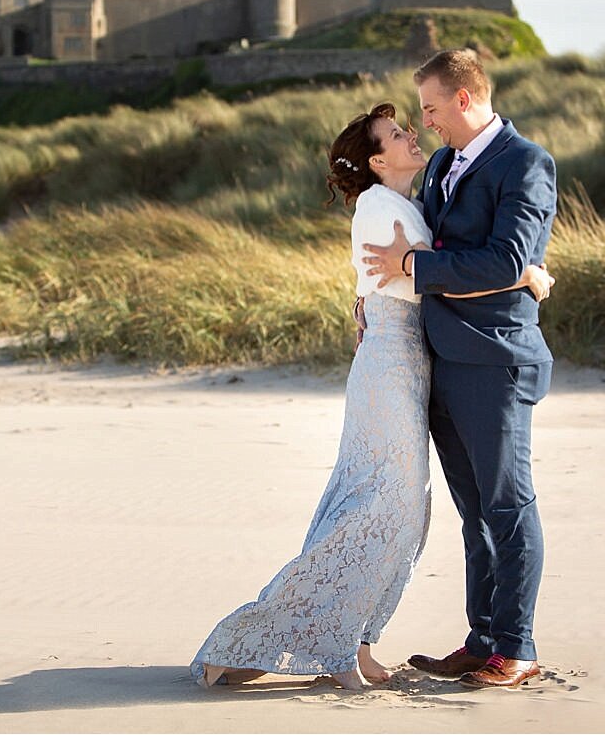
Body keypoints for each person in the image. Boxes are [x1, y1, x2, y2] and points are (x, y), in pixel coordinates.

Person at [191, 102, 551, 691]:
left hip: (412, 364)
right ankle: (291, 636)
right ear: (377, 160)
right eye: (398, 134)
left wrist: (392, 283)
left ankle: (349, 639)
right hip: (390, 369)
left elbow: (421, 270)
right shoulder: (378, 204)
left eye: (413, 125)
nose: (414, 133)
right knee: (386, 506)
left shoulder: (412, 195)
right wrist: (525, 275)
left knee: (394, 510)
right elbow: (424, 272)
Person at [362, 48, 557, 690]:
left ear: (465, 99)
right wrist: (370, 294)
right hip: (441, 360)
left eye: (432, 107)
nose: (427, 123)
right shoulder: (442, 164)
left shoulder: (525, 164)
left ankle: (517, 647)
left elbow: (503, 259)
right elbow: (422, 242)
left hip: (496, 361)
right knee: (472, 513)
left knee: (508, 504)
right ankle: (481, 639)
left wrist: (414, 269)